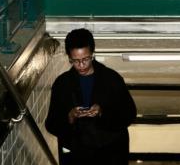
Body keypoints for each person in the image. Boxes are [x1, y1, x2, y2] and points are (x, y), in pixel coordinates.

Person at [46, 28, 136, 164]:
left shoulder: (111, 79)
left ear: (92, 54)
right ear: (69, 57)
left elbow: (129, 115)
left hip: (110, 153)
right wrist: (70, 117)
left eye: (86, 59)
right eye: (75, 61)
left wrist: (102, 113)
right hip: (77, 153)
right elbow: (51, 124)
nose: (81, 65)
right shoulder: (62, 84)